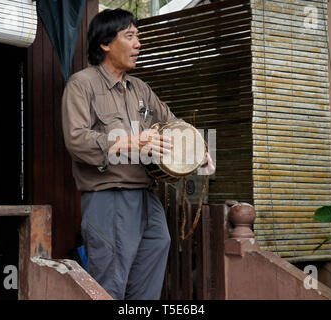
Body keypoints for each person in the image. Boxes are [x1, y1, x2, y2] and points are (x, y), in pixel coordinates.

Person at [61, 8, 214, 300]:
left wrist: (200, 150)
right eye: (129, 36)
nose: (138, 44)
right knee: (111, 283)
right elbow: (77, 139)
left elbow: (174, 123)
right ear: (105, 44)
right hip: (110, 196)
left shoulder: (141, 89)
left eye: (138, 36)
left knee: (152, 268)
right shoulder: (82, 85)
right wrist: (131, 142)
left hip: (147, 196)